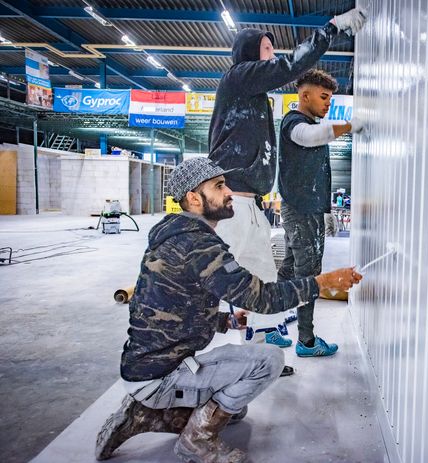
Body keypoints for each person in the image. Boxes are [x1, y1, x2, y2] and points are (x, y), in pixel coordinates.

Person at [95, 158, 363, 462]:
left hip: (144, 368)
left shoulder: (174, 234)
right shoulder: (197, 245)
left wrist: (223, 320)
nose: (229, 192)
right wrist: (321, 282)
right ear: (194, 199)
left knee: (235, 412)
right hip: (161, 374)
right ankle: (196, 441)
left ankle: (144, 416)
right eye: (219, 186)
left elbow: (165, 303)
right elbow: (263, 299)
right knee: (268, 361)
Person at [208, 7, 368, 349]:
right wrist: (332, 28)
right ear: (250, 54)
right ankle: (190, 331)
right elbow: (288, 66)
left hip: (249, 202)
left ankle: (264, 338)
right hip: (233, 199)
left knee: (262, 272)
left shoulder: (253, 97)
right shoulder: (240, 78)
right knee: (218, 275)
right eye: (267, 50)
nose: (273, 57)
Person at [278, 69, 364, 357]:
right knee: (308, 274)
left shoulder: (309, 122)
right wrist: (351, 126)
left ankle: (271, 325)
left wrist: (326, 212)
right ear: (305, 95)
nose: (328, 103)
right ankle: (306, 341)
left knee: (290, 269)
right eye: (324, 97)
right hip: (301, 211)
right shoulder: (295, 122)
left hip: (307, 210)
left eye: (330, 98)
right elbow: (310, 136)